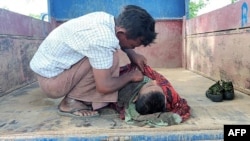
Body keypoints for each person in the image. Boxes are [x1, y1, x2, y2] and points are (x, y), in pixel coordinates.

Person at [29, 5, 157, 117]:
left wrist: (132, 53)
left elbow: (118, 39)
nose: (133, 47)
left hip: (49, 72)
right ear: (122, 33)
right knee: (110, 59)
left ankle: (83, 98)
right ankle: (71, 102)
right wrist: (131, 76)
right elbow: (104, 86)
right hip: (52, 82)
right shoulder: (102, 40)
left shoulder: (106, 20)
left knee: (105, 57)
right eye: (134, 45)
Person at [115, 63, 190, 122]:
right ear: (165, 97)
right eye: (159, 86)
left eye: (149, 86)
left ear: (136, 97)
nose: (154, 82)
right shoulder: (169, 94)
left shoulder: (125, 93)